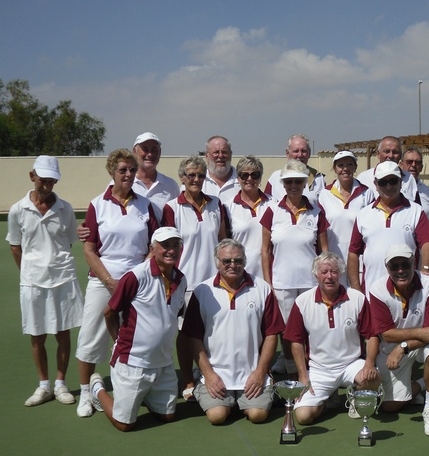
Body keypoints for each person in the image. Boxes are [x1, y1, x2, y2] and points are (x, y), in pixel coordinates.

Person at [74, 148, 160, 418]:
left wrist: (139, 276)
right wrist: (110, 281)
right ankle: (87, 392)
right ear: (112, 171)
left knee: (133, 338)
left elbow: (153, 246)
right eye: (122, 170)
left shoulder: (145, 205)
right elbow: (89, 251)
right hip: (103, 281)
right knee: (90, 337)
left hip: (138, 284)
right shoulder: (97, 204)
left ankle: (134, 388)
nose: (128, 175)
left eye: (132, 170)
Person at [89, 227, 187, 432]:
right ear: (153, 248)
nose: (171, 250)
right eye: (165, 246)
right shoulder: (135, 276)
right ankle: (97, 388)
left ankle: (145, 395)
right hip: (132, 361)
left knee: (168, 416)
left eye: (175, 245)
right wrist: (118, 342)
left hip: (163, 363)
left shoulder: (181, 279)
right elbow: (109, 312)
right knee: (124, 425)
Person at [6, 155, 84, 407]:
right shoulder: (18, 209)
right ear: (32, 176)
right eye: (43, 179)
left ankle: (60, 384)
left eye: (52, 180)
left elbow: (69, 242)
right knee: (37, 335)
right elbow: (15, 247)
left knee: (63, 333)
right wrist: (29, 271)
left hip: (63, 277)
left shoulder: (66, 208)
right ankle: (43, 386)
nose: (47, 185)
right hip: (32, 281)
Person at [180, 239, 284, 424]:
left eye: (238, 260)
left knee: (257, 415)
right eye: (226, 261)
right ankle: (205, 385)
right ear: (217, 262)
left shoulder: (262, 289)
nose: (233, 265)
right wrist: (210, 375)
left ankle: (262, 387)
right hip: (217, 375)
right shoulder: (202, 291)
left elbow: (271, 334)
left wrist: (260, 372)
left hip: (252, 375)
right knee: (217, 416)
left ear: (245, 261)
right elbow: (194, 338)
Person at [285, 253, 380, 425]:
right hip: (319, 369)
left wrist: (369, 363)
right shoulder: (302, 302)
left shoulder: (357, 298)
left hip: (352, 364)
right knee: (303, 417)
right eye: (324, 272)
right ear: (316, 275)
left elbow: (372, 335)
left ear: (341, 274)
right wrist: (303, 375)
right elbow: (296, 342)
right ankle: (326, 401)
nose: (329, 276)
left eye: (334, 272)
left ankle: (354, 394)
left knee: (373, 379)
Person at [161, 156, 228, 399]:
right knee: (186, 334)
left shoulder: (216, 204)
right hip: (185, 282)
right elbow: (168, 247)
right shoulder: (172, 207)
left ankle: (210, 375)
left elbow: (223, 242)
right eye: (191, 175)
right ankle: (187, 379)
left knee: (213, 330)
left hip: (214, 282)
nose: (196, 179)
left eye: (200, 175)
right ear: (183, 178)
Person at [368, 245, 429, 436]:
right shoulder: (377, 289)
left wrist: (403, 346)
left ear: (414, 263)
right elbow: (386, 334)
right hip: (395, 345)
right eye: (394, 266)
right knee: (388, 406)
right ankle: (426, 382)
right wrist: (419, 334)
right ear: (387, 268)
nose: (400, 270)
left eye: (405, 264)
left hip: (420, 345)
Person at [260, 159, 329, 374]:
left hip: (310, 282)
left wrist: (323, 279)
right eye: (289, 182)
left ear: (305, 182)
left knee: (312, 329)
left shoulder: (317, 211)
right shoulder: (272, 211)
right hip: (282, 282)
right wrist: (269, 282)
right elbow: (265, 250)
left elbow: (324, 251)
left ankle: (314, 371)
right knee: (288, 332)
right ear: (283, 183)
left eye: (298, 181)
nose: (293, 186)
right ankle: (292, 372)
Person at [347, 161, 429, 295]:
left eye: (393, 181)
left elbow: (427, 243)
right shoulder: (364, 214)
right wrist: (356, 288)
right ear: (375, 185)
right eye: (383, 182)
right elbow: (353, 253)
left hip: (407, 291)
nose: (388, 186)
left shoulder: (416, 211)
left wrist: (425, 268)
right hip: (372, 291)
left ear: (401, 182)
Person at [76, 132, 174, 240]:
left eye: (154, 149)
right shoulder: (118, 183)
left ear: (160, 152)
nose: (150, 154)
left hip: (159, 249)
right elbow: (106, 213)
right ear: (135, 151)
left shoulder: (171, 185)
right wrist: (86, 227)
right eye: (145, 149)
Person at [317, 150, 373, 282]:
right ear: (334, 168)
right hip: (333, 262)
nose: (345, 169)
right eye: (341, 165)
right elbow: (321, 230)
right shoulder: (325, 194)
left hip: (359, 261)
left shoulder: (367, 193)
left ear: (355, 167)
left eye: (349, 164)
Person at [224, 156, 273, 278]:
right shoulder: (227, 207)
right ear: (238, 178)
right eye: (244, 175)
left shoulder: (274, 204)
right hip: (240, 274)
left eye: (254, 175)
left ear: (260, 177)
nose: (249, 179)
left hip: (270, 273)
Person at [357, 136, 420, 206]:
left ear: (400, 156)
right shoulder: (363, 178)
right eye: (387, 151)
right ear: (378, 154)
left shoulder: (409, 178)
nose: (391, 155)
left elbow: (417, 209)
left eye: (395, 152)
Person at [265, 134, 326, 203]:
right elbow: (266, 205)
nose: (300, 155)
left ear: (309, 153)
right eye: (296, 151)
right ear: (287, 153)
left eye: (304, 151)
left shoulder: (318, 178)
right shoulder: (275, 177)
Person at [203, 135, 241, 202]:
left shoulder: (244, 181)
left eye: (224, 152)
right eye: (216, 152)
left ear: (231, 154)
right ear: (206, 156)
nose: (220, 156)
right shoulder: (196, 181)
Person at [400, 147, 429, 219]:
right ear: (401, 165)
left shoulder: (426, 190)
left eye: (417, 162)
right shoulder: (393, 188)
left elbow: (428, 218)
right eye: (409, 162)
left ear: (421, 167)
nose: (413, 165)